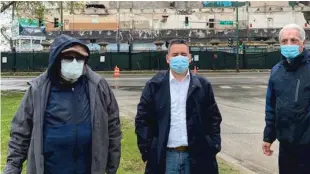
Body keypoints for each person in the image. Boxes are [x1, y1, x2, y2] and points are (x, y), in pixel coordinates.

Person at [3, 34, 122, 174]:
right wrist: (13, 167)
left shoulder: (98, 86)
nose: (74, 62)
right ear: (56, 59)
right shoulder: (38, 89)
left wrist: (111, 166)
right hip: (49, 168)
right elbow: (20, 132)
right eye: (68, 58)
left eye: (79, 58)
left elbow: (113, 128)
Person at [262, 24, 310, 174]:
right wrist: (268, 136)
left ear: (303, 44)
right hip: (286, 147)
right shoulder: (276, 71)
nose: (289, 44)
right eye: (284, 41)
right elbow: (271, 106)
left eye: (294, 40)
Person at [135, 39, 222, 174]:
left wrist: (213, 145)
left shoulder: (203, 86)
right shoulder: (154, 85)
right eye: (175, 55)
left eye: (183, 54)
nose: (179, 58)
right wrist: (148, 150)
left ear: (190, 58)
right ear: (168, 59)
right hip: (165, 156)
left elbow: (214, 118)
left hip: (197, 156)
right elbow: (142, 119)